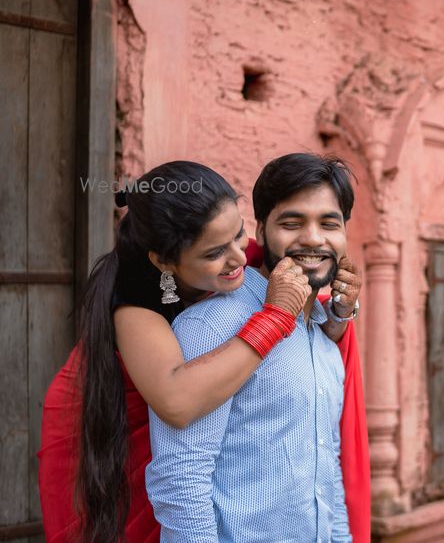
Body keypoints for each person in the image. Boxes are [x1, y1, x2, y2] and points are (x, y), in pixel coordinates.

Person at [37, 161, 364, 543]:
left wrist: (338, 315)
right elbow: (177, 409)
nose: (240, 258)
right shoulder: (143, 307)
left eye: (238, 236)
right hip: (134, 458)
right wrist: (275, 318)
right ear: (165, 262)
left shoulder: (251, 262)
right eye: (214, 253)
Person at [146, 153, 367, 542]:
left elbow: (327, 473)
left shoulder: (327, 338)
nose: (314, 238)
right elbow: (181, 476)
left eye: (329, 224)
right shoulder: (211, 324)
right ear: (261, 231)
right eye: (292, 222)